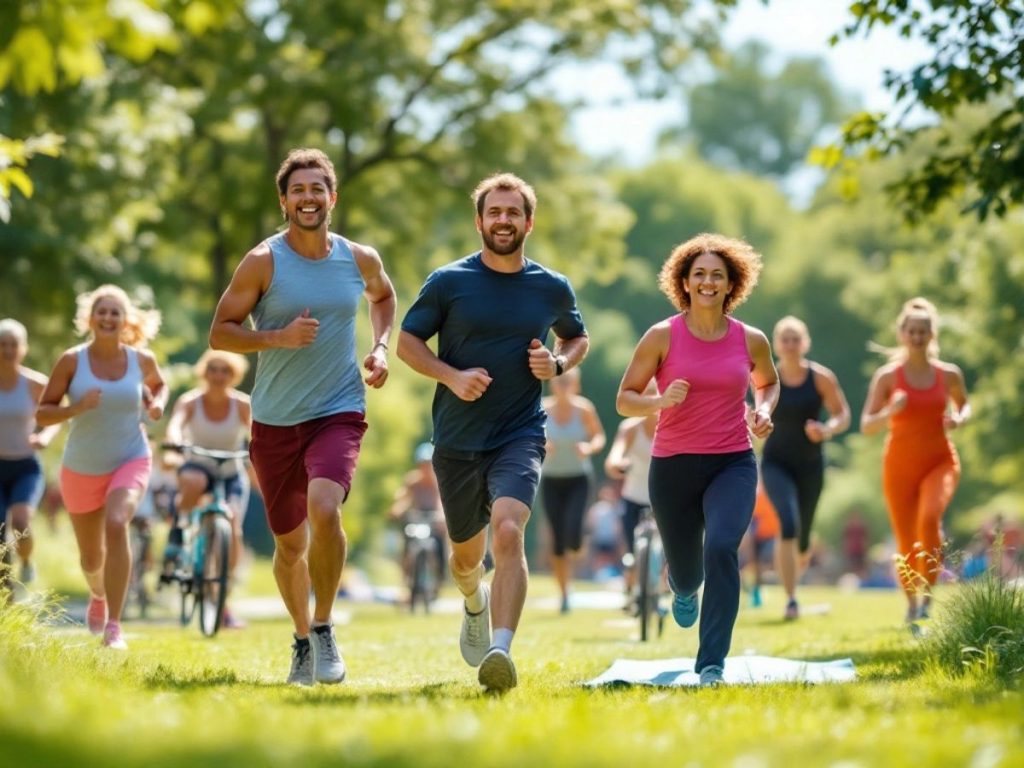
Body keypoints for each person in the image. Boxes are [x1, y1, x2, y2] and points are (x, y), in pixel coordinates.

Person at [209, 147, 395, 686]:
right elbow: (221, 330)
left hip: (338, 408)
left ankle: (323, 626)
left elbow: (383, 298)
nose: (308, 198)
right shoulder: (262, 261)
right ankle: (299, 640)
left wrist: (380, 348)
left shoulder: (359, 258)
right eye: (298, 190)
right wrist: (277, 338)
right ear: (284, 200)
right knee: (290, 546)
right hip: (273, 419)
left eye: (318, 189)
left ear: (332, 198)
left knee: (324, 506)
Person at [397, 172, 589, 692]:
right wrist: (451, 376)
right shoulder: (449, 282)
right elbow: (407, 343)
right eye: (494, 212)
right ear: (480, 220)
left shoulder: (551, 286)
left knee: (508, 529)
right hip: (457, 439)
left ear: (529, 221)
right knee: (465, 561)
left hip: (520, 431)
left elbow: (577, 338)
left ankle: (500, 651)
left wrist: (558, 363)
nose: (503, 221)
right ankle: (474, 601)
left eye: (513, 213)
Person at [615, 232, 779, 687]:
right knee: (688, 573)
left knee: (722, 547)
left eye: (718, 276)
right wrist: (660, 401)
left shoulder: (751, 339)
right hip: (673, 468)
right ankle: (682, 589)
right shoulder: (662, 336)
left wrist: (763, 410)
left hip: (732, 462)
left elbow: (767, 382)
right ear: (684, 282)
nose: (708, 282)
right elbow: (624, 400)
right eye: (699, 274)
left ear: (732, 285)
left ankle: (711, 663)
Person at [37, 285, 167, 649]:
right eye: (102, 311)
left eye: (115, 312)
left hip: (130, 456)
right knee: (91, 558)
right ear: (90, 319)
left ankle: (114, 625)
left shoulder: (141, 360)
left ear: (126, 321)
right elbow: (43, 412)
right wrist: (75, 408)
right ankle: (97, 594)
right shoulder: (70, 361)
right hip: (81, 466)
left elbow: (160, 385)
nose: (108, 318)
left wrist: (156, 404)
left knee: (117, 522)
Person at [861, 297, 970, 622]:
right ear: (902, 334)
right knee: (907, 539)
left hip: (940, 461)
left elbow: (964, 405)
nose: (918, 337)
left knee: (930, 517)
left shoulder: (948, 374)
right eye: (912, 331)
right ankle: (912, 603)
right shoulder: (888, 377)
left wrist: (959, 418)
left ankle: (927, 596)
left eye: (924, 331)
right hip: (899, 466)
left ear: (932, 335)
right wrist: (889, 412)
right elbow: (867, 425)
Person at [760, 316, 851, 620]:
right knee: (788, 522)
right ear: (776, 345)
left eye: (795, 338)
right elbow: (752, 410)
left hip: (811, 465)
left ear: (805, 343)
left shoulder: (821, 378)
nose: (790, 344)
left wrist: (826, 429)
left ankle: (792, 582)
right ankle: (791, 599)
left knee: (803, 534)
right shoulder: (767, 378)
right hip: (776, 463)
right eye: (784, 339)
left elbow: (842, 415)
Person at [163, 349, 253, 628]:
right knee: (195, 482)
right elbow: (175, 426)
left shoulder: (242, 405)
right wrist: (174, 444)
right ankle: (179, 529)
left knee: (233, 526)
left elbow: (258, 432)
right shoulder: (191, 402)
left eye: (224, 370)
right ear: (204, 372)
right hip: (198, 465)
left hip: (230, 470)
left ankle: (224, 595)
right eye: (213, 369)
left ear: (233, 375)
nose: (218, 375)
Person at [0, 319, 60, 592]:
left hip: (25, 465)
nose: (8, 349)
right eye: (3, 344)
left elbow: (56, 415)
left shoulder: (34, 383)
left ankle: (26, 561)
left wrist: (44, 436)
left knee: (22, 521)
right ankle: (6, 588)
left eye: (14, 344)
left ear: (23, 348)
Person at [540, 368, 605, 613]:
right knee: (557, 541)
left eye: (568, 382)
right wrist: (542, 443)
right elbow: (531, 435)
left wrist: (588, 447)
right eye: (559, 382)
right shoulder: (543, 409)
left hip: (578, 479)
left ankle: (576, 565)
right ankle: (564, 591)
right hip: (551, 480)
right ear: (552, 385)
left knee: (573, 537)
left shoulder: (584, 409)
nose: (563, 386)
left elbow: (598, 436)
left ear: (575, 385)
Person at [604, 385, 657, 606]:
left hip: (661, 498)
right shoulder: (630, 429)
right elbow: (614, 457)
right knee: (632, 548)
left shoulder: (673, 427)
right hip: (633, 496)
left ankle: (662, 587)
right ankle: (631, 584)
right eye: (647, 395)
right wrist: (618, 463)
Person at [389, 442, 447, 598]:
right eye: (423, 464)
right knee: (408, 544)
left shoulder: (438, 481)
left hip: (433, 518)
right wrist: (398, 509)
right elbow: (404, 498)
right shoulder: (412, 481)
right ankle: (406, 578)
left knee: (439, 543)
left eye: (429, 464)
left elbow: (439, 501)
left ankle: (439, 576)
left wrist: (441, 515)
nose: (426, 468)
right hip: (416, 518)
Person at [741, 479, 780, 608]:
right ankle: (754, 591)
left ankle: (754, 588)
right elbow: (752, 521)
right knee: (755, 566)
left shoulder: (777, 494)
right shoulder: (758, 496)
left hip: (771, 536)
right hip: (756, 537)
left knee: (765, 564)